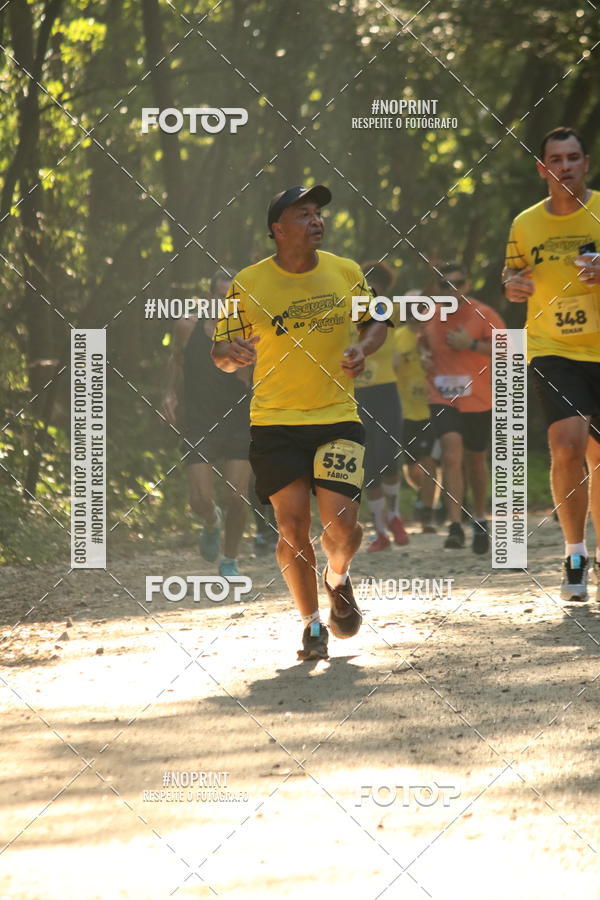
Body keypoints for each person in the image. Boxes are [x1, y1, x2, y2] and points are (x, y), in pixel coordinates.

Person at [211, 184, 388, 660]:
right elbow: (220, 351)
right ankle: (311, 626)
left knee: (343, 528)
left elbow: (377, 320)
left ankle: (338, 577)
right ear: (278, 229)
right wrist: (231, 353)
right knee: (292, 527)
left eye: (318, 213)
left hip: (336, 418)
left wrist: (362, 347)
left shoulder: (345, 271)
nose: (316, 221)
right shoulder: (248, 283)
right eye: (303, 214)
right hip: (275, 423)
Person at [503, 126, 600, 601]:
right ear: (542, 169)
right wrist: (512, 285)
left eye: (573, 158)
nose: (565, 166)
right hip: (552, 348)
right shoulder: (525, 224)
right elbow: (512, 271)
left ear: (586, 164)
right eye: (556, 160)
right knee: (566, 445)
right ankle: (575, 554)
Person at [163, 268, 251, 578]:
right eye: (221, 296)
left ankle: (230, 560)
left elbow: (256, 379)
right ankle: (212, 521)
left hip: (239, 421)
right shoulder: (187, 327)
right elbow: (176, 360)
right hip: (200, 420)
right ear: (209, 297)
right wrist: (170, 394)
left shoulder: (249, 332)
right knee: (200, 500)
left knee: (236, 498)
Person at [422, 262, 506, 554]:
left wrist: (470, 344)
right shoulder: (430, 315)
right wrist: (423, 356)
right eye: (445, 285)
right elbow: (421, 344)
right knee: (450, 453)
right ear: (437, 288)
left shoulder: (483, 313)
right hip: (441, 396)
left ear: (467, 285)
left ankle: (480, 517)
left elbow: (507, 348)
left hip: (477, 398)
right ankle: (455, 525)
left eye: (457, 283)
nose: (451, 290)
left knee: (475, 461)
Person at [354, 260, 409, 552]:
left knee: (388, 456)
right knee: (368, 465)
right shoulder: (347, 313)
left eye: (376, 290)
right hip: (356, 395)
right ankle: (380, 531)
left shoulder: (391, 310)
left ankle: (394, 514)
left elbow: (423, 303)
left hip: (386, 391)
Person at [393, 297, 440, 533]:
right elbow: (389, 368)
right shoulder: (397, 336)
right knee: (411, 468)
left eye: (421, 308)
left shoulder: (434, 334)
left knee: (428, 461)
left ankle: (427, 514)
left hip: (431, 408)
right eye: (411, 308)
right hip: (404, 411)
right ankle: (423, 495)